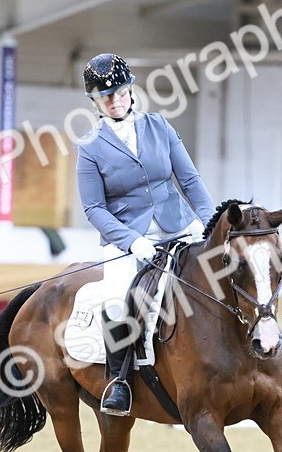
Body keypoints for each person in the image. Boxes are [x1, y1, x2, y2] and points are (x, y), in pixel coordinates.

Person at [76, 53, 214, 416]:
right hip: (129, 237)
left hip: (179, 226)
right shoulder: (90, 148)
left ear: (131, 91)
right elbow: (94, 209)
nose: (115, 100)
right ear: (95, 101)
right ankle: (118, 382)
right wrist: (131, 241)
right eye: (106, 96)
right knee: (117, 300)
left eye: (120, 92)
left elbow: (189, 180)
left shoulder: (159, 127)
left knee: (219, 277)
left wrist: (209, 222)